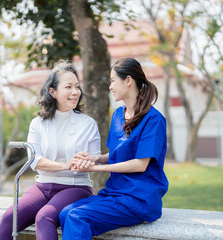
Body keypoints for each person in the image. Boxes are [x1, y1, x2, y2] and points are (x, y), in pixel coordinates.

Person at [59, 57, 169, 240]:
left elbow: (140, 164)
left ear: (128, 81)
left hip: (138, 198)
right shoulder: (119, 115)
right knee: (65, 213)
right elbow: (118, 154)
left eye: (112, 80)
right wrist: (95, 158)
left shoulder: (154, 120)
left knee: (77, 217)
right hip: (114, 193)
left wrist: (93, 168)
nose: (110, 86)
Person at [0, 61, 101, 240]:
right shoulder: (38, 123)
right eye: (68, 87)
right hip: (43, 186)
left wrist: (86, 162)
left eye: (77, 87)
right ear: (53, 92)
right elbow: (34, 161)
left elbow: (94, 160)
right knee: (10, 217)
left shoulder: (88, 124)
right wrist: (67, 164)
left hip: (75, 186)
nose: (75, 92)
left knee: (44, 217)